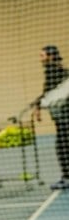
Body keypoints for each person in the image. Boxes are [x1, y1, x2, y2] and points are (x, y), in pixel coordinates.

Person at [32, 45, 69, 189]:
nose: (40, 59)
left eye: (42, 56)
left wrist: (39, 105)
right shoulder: (51, 72)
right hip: (60, 118)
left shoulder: (57, 72)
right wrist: (37, 106)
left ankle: (67, 177)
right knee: (62, 146)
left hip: (66, 117)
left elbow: (55, 94)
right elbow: (47, 93)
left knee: (63, 147)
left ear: (51, 56)